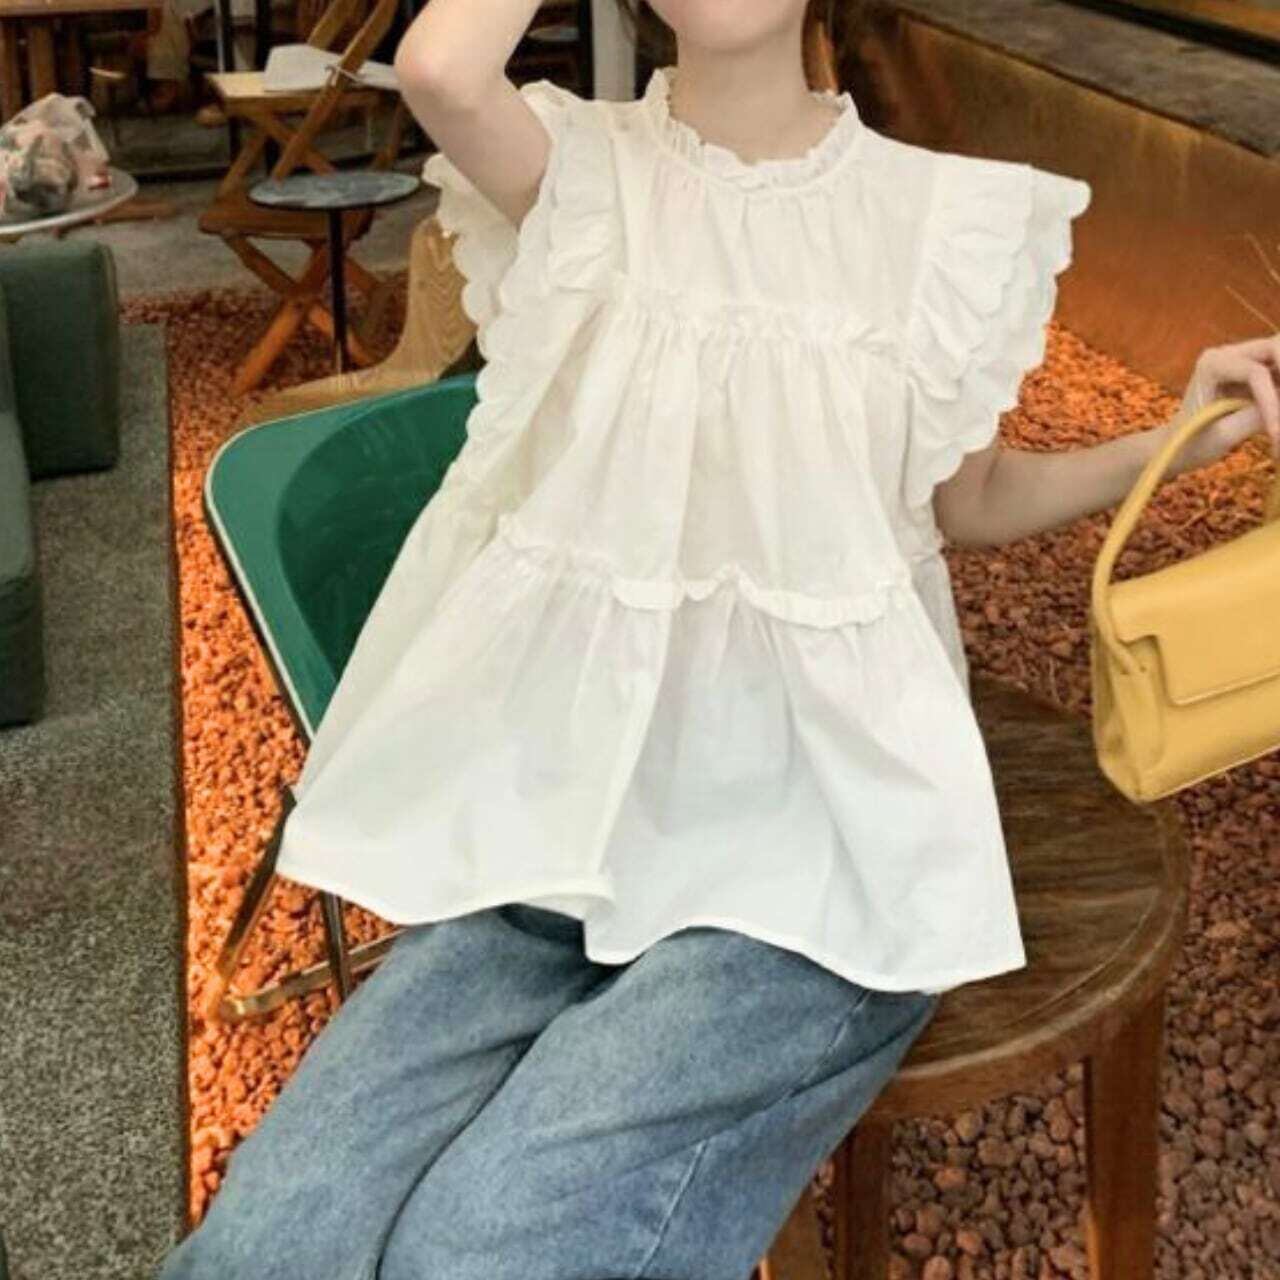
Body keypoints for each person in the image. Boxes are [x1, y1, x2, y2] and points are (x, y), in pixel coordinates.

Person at [154, 0, 1280, 1276]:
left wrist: (1177, 437)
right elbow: (439, 64)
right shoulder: (578, 177)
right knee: (265, 1245)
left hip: (812, 862)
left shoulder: (933, 218)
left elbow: (964, 501)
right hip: (554, 842)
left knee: (486, 1245)